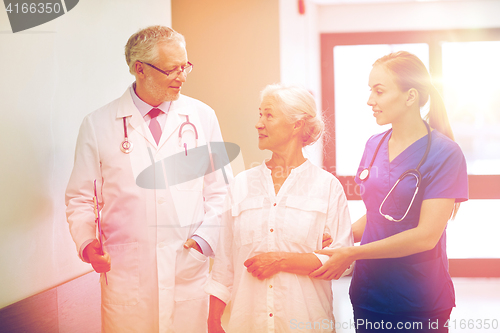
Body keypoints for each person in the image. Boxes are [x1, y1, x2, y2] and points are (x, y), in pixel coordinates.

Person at [65, 26, 231, 332]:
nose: (181, 76)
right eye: (171, 69)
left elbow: (222, 191)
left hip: (187, 269)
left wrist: (202, 241)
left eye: (185, 66)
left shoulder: (202, 116)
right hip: (127, 276)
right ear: (139, 69)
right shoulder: (98, 124)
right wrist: (88, 245)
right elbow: (80, 197)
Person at [311, 51, 468, 332]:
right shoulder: (374, 144)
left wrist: (352, 253)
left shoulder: (445, 154)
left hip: (418, 297)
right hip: (369, 292)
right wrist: (338, 236)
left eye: (379, 91)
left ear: (410, 96)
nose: (370, 100)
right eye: (370, 90)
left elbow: (426, 236)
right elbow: (377, 216)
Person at [205, 84, 354, 333]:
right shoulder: (241, 184)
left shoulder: (327, 187)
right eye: (259, 114)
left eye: (269, 115)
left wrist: (282, 261)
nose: (259, 123)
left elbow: (342, 261)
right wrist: (212, 322)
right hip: (247, 324)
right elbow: (224, 266)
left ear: (296, 125)